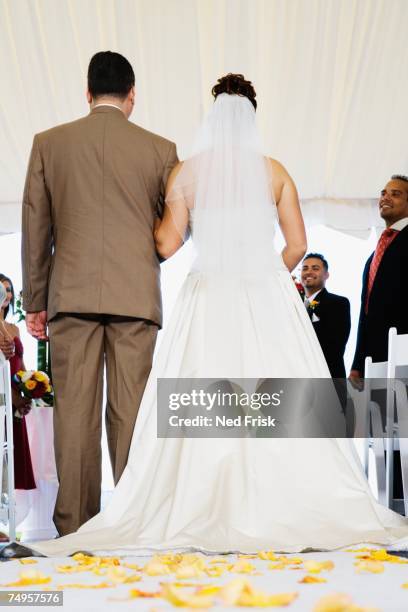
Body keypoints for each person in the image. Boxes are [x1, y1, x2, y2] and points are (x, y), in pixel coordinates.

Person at [5, 74, 408, 559]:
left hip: (207, 294)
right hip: (265, 296)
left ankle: (194, 499)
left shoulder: (188, 174)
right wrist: (267, 275)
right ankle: (283, 498)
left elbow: (165, 244)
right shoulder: (275, 171)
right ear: (252, 118)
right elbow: (298, 246)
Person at [19, 51, 178, 537]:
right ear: (132, 96)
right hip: (135, 299)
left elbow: (35, 225)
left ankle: (74, 527)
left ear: (87, 94)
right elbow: (175, 227)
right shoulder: (161, 149)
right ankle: (133, 524)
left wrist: (35, 300)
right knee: (131, 413)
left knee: (74, 416)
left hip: (72, 296)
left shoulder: (49, 143)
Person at [350, 175, 408, 386]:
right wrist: (357, 363)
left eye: (396, 194)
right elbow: (366, 311)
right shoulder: (372, 258)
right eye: (383, 193)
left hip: (404, 355)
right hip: (375, 362)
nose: (386, 197)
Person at [0, 274, 36, 542]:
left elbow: (19, 364)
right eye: (2, 291)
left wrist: (27, 391)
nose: (7, 296)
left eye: (9, 290)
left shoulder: (14, 327)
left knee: (8, 461)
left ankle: (5, 524)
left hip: (14, 395)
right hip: (2, 396)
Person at [301, 253, 350, 379]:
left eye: (315, 268)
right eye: (305, 268)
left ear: (326, 275)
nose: (309, 272)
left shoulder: (338, 303)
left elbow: (334, 347)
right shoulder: (293, 305)